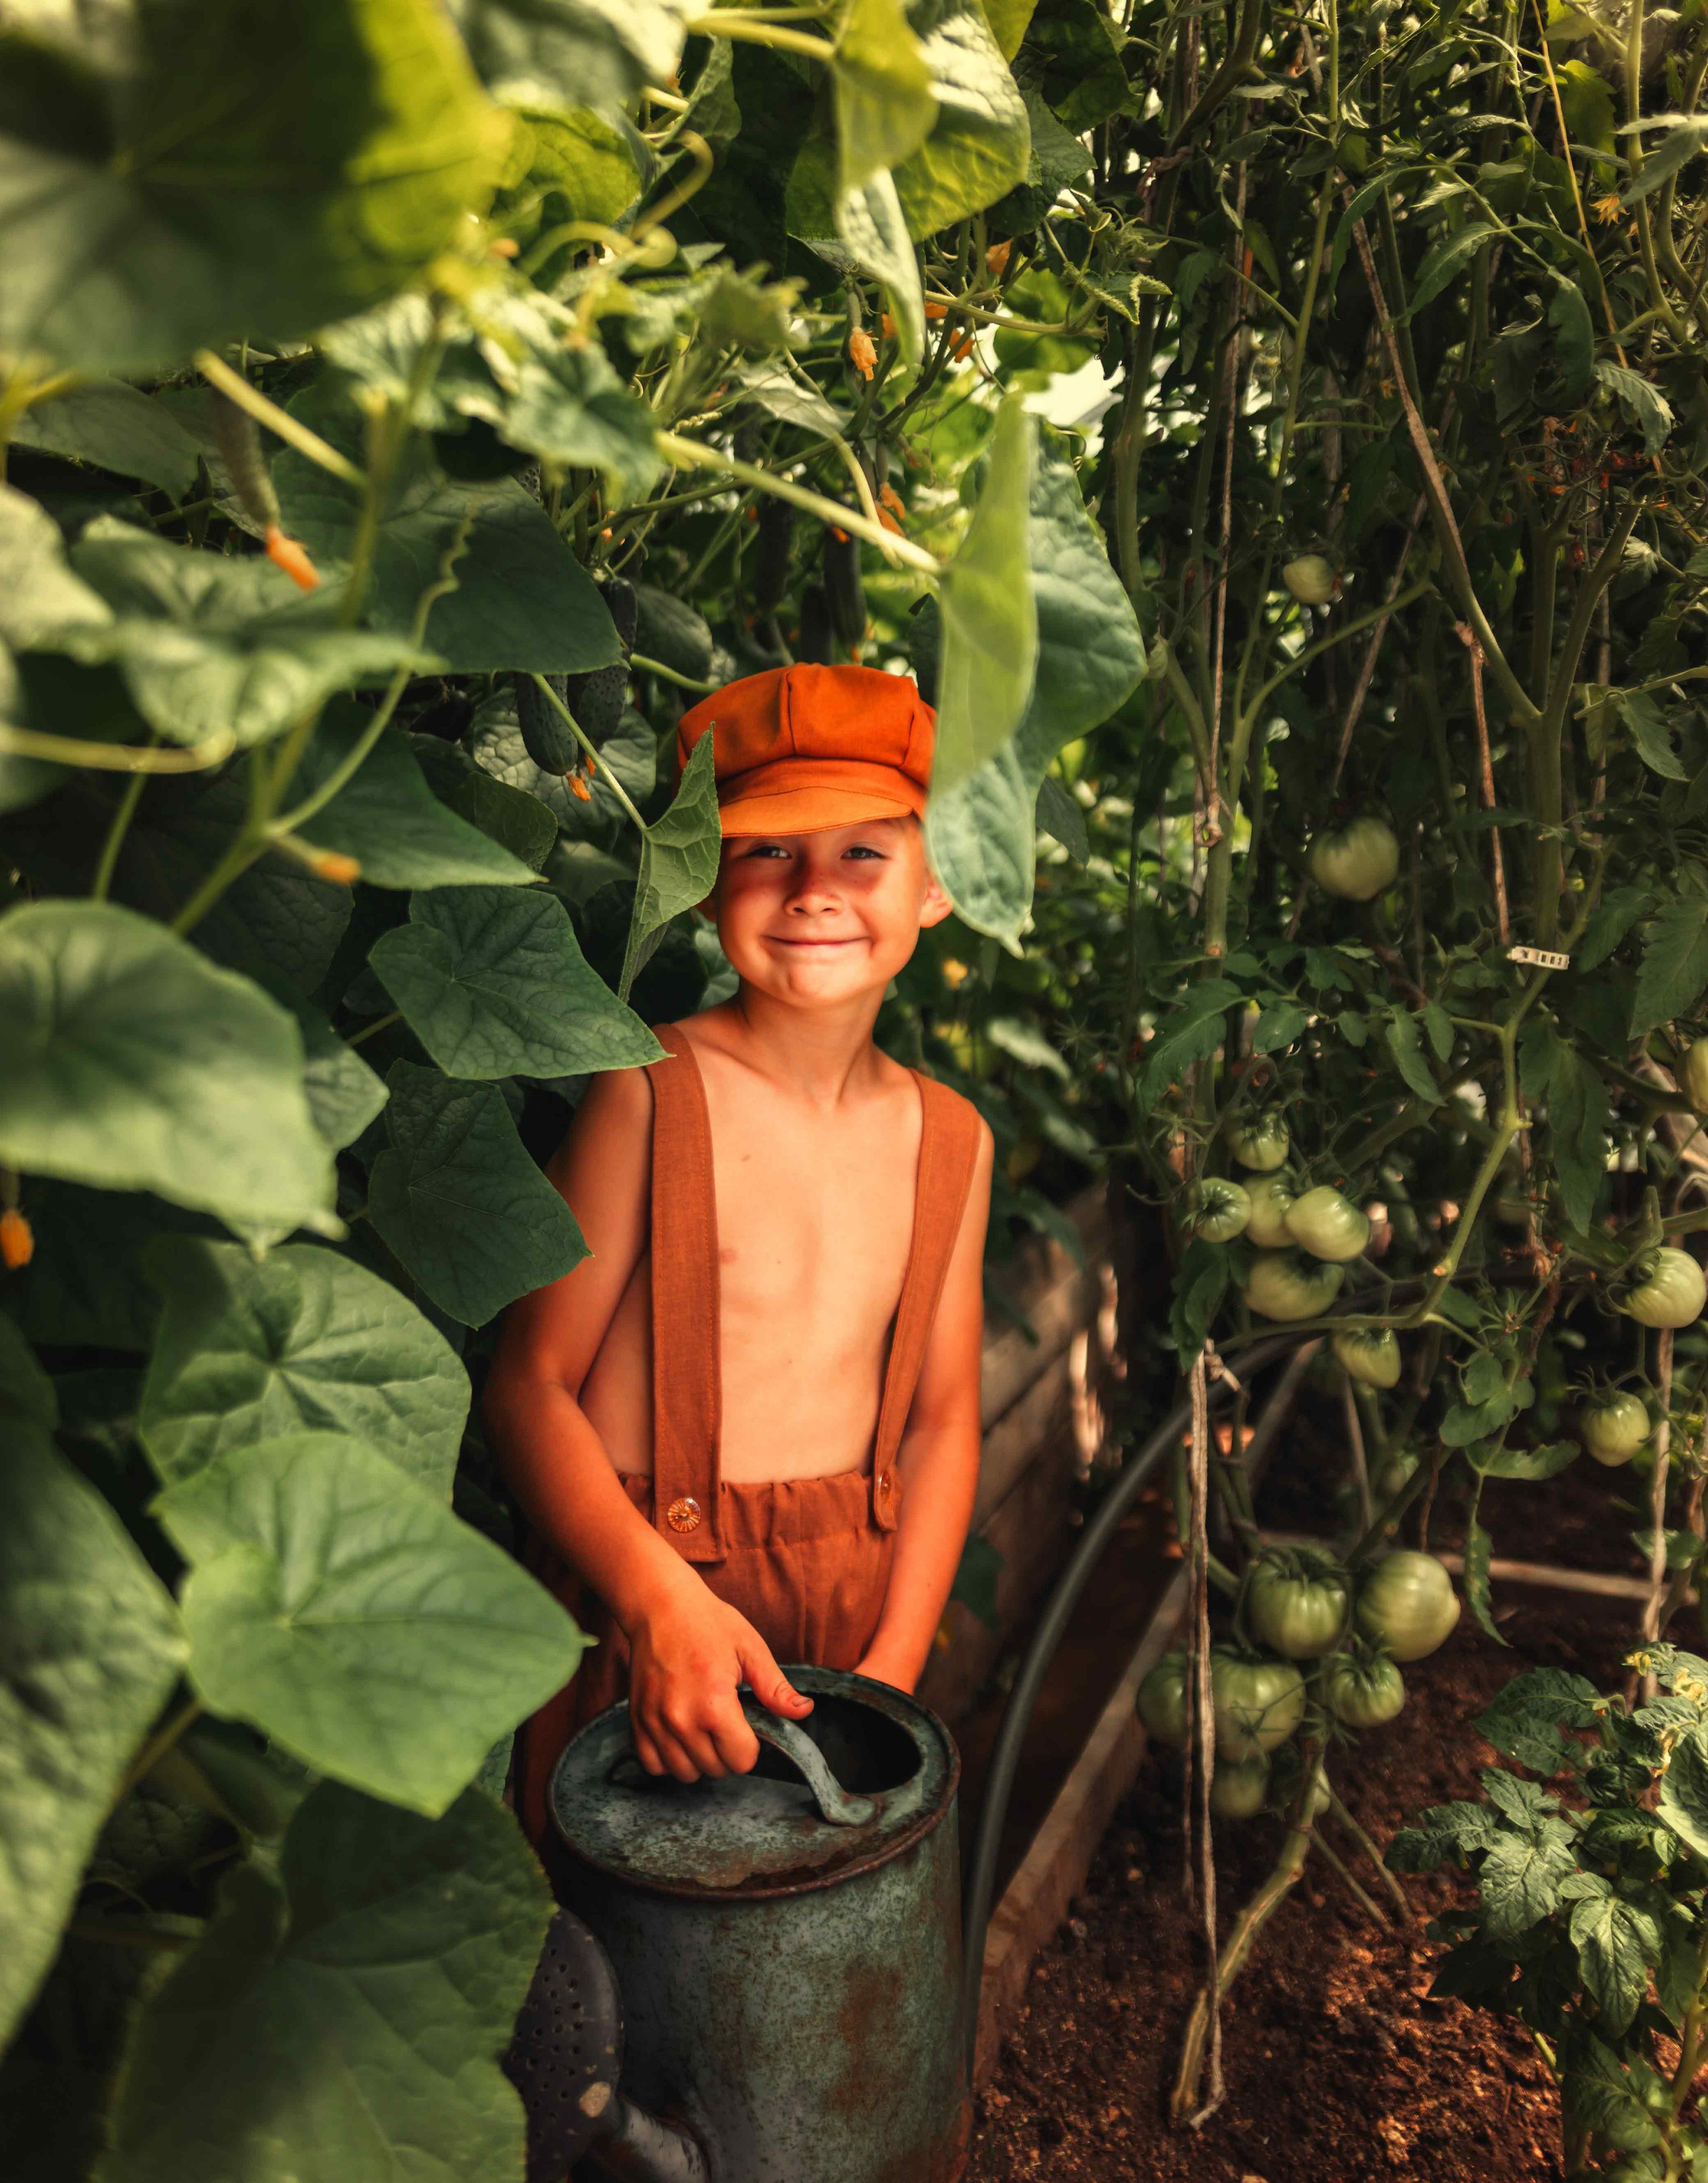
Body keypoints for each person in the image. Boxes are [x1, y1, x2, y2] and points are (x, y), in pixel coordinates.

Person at [488, 662, 995, 1846]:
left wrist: (895, 1674)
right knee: (613, 1976)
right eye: (768, 851)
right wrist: (658, 1601)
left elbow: (943, 1421)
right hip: (644, 1598)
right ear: (712, 882)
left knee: (808, 1978)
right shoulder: (651, 1092)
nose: (814, 889)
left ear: (938, 886)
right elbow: (528, 1383)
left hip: (851, 1630)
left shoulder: (953, 1140)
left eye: (863, 852)